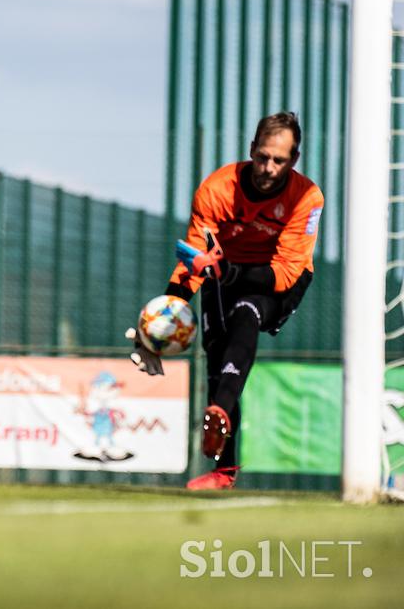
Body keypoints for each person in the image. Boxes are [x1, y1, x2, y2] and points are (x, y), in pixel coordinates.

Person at [126, 112, 324, 490]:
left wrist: (228, 272)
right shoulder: (216, 189)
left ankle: (218, 413)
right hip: (223, 272)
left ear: (294, 160)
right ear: (251, 149)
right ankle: (223, 471)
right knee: (216, 354)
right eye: (263, 156)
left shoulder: (306, 197)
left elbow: (284, 273)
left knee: (247, 313)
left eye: (279, 160)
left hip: (277, 279)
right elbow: (194, 262)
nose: (268, 167)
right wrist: (158, 323)